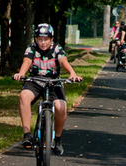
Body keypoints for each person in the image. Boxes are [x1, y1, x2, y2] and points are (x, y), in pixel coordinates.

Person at [13, 23, 81, 156]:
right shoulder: (31, 48)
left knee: (61, 106)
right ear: (35, 39)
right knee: (24, 96)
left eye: (45, 39)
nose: (43, 43)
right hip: (35, 81)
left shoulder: (57, 48)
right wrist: (21, 73)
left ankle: (57, 139)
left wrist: (72, 73)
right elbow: (27, 61)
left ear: (51, 39)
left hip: (53, 82)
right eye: (39, 39)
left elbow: (63, 61)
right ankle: (27, 135)